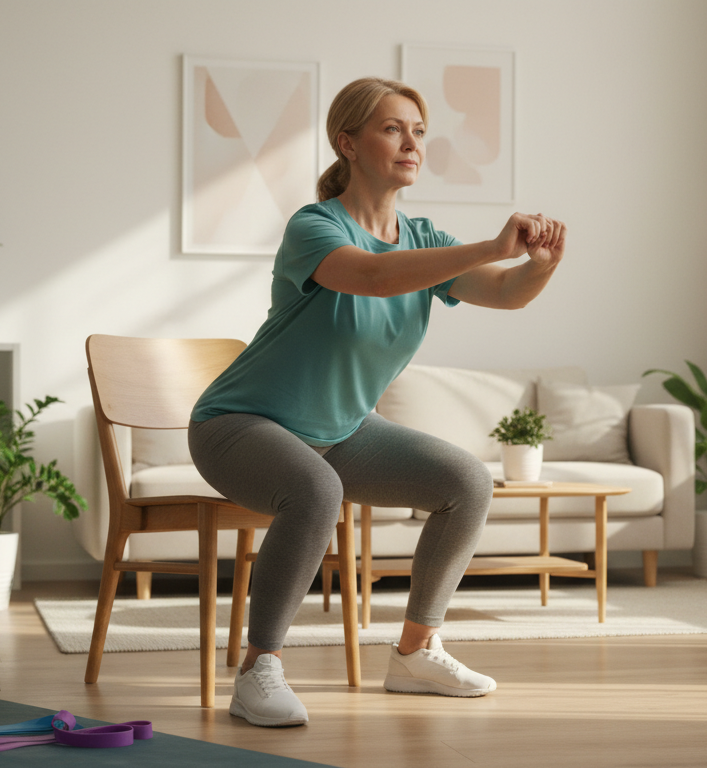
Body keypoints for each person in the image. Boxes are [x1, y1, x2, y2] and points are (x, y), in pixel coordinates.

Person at [188, 76, 567, 728]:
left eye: (419, 131)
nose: (412, 142)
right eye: (393, 128)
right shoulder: (315, 226)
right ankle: (258, 671)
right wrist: (486, 246)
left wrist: (540, 262)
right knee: (317, 490)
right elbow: (371, 276)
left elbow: (507, 295)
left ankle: (416, 653)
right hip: (239, 423)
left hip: (342, 429)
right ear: (349, 142)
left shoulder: (424, 237)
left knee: (467, 482)